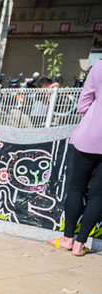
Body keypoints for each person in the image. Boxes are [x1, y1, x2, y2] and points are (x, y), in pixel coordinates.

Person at [48, 61, 102, 256]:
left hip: (90, 136)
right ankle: (80, 245)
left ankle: (67, 239)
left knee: (77, 187)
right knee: (99, 195)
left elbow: (82, 106)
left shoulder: (99, 67)